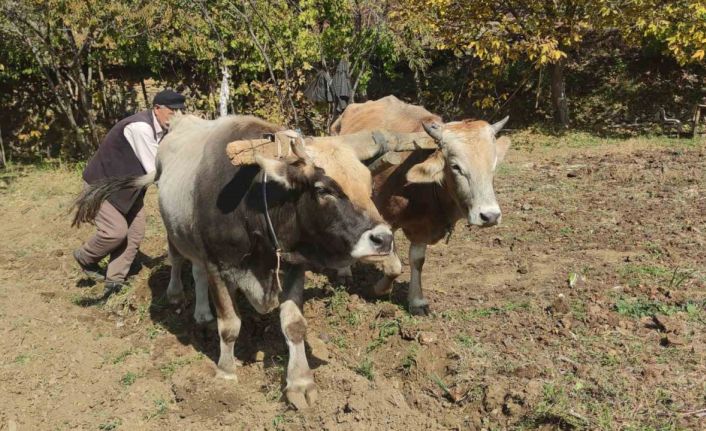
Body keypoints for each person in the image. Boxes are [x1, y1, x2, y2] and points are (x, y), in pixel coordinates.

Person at [73, 89, 186, 295]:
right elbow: (156, 169)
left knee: (135, 232)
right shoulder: (140, 128)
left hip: (129, 190)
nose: (176, 116)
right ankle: (85, 257)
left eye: (180, 112)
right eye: (172, 111)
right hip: (103, 187)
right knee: (114, 232)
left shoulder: (166, 130)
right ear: (157, 109)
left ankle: (114, 280)